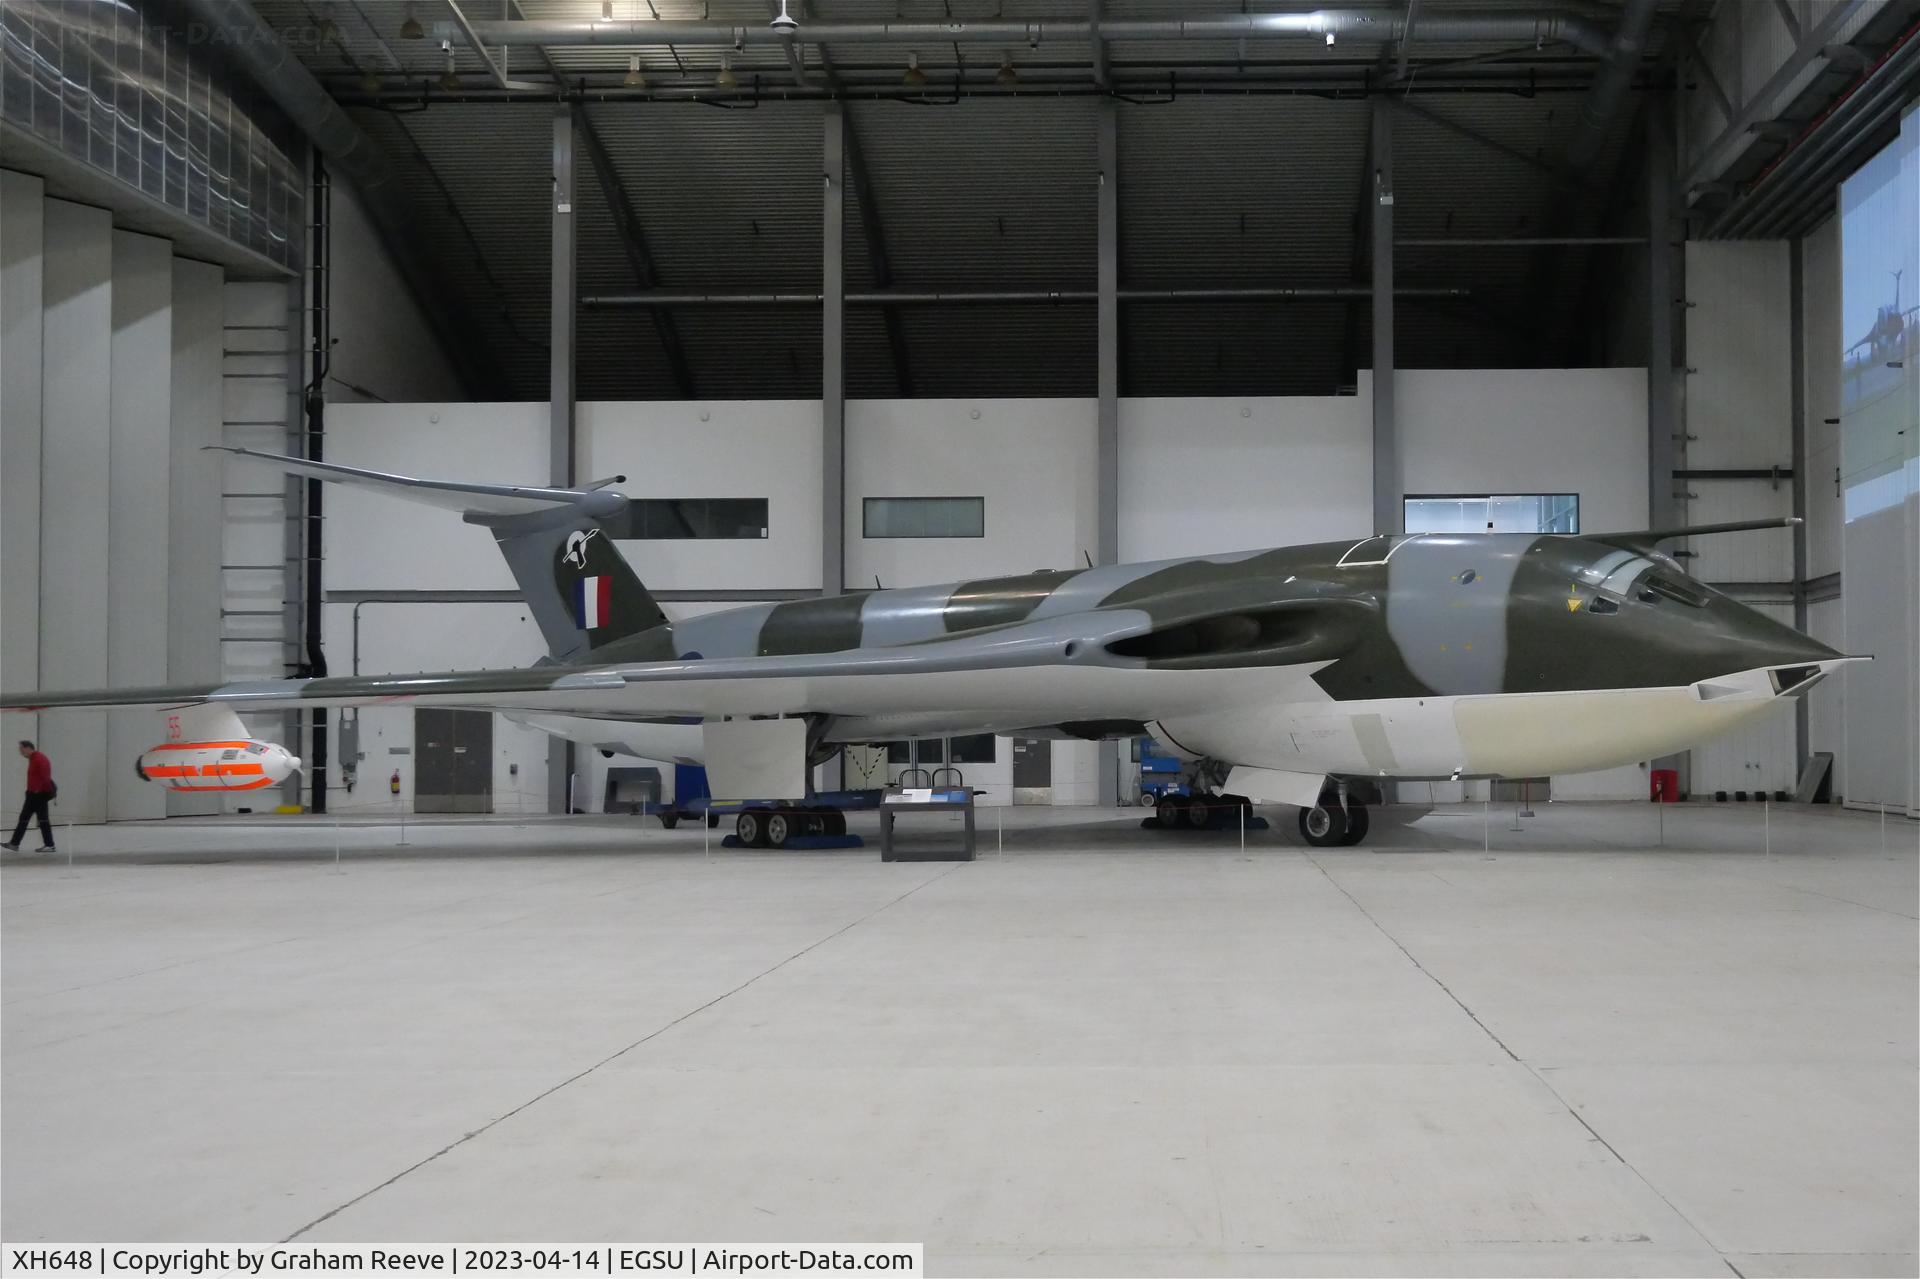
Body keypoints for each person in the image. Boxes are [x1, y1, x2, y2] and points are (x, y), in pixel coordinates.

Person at [4, 740, 55, 853]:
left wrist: (41, 792)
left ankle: (49, 845)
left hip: (38, 795)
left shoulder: (39, 759)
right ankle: (15, 843)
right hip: (33, 794)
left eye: (21, 749)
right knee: (29, 818)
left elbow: (45, 778)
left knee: (40, 820)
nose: (20, 752)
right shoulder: (33, 759)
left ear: (28, 748)